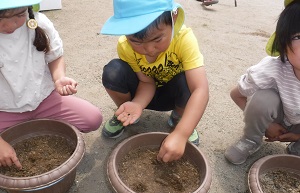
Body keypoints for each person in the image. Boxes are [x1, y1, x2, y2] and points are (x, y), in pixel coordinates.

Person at [100, 0, 209, 163]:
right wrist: (137, 103)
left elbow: (200, 89)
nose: (149, 50)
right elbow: (146, 82)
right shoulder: (125, 46)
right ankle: (128, 113)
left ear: (174, 16)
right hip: (143, 93)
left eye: (157, 39)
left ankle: (179, 118)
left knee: (188, 82)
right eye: (136, 42)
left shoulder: (184, 39)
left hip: (173, 96)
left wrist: (181, 134)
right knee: (113, 71)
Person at [0, 0, 103, 169]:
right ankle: (34, 127)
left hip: (44, 99)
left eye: (19, 15)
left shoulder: (39, 22)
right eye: (1, 17)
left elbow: (55, 56)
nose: (10, 24)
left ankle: (32, 126)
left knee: (92, 118)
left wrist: (59, 77)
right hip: (5, 110)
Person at [225, 0, 300, 165]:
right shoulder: (272, 69)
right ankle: (251, 140)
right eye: (298, 36)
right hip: (280, 117)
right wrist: (268, 124)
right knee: (262, 99)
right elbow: (236, 95)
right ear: (283, 45)